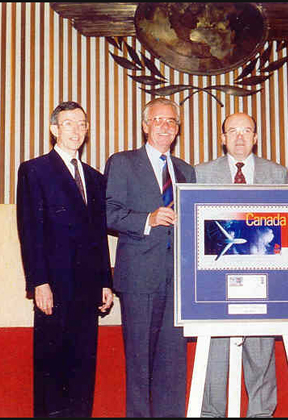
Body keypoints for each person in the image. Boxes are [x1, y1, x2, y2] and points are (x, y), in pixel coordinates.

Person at [16, 101, 114, 417]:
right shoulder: (34, 170)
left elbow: (99, 236)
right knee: (52, 369)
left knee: (83, 369)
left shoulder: (95, 178)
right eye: (69, 123)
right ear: (54, 129)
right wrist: (38, 282)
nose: (76, 129)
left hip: (87, 290)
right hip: (53, 288)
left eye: (82, 123)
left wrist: (105, 282)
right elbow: (29, 231)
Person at [104, 97, 196, 417]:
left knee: (173, 363)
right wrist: (148, 219)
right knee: (139, 363)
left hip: (178, 281)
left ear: (178, 129)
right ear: (145, 126)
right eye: (158, 120)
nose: (165, 127)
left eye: (171, 122)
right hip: (139, 277)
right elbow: (108, 212)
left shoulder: (186, 170)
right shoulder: (123, 162)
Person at [195, 112, 288, 417]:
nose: (239, 137)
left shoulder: (277, 174)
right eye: (232, 131)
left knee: (261, 352)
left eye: (246, 131)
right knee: (216, 353)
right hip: (216, 279)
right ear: (222, 138)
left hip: (262, 278)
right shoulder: (201, 174)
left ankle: (261, 413)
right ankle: (211, 413)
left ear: (255, 138)